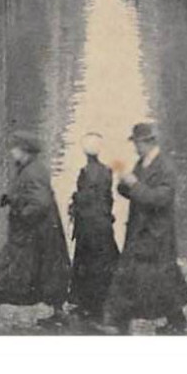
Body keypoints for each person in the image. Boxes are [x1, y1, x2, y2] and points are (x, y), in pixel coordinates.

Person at [0, 133, 70, 329]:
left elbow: (40, 203)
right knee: (42, 273)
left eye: (15, 148)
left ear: (25, 151)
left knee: (15, 271)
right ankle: (56, 311)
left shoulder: (32, 172)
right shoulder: (32, 168)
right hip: (40, 233)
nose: (12, 152)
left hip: (32, 234)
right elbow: (30, 194)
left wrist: (20, 214)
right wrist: (11, 198)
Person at [103, 122, 187, 335]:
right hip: (141, 231)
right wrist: (123, 182)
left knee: (149, 276)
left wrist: (134, 184)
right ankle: (173, 321)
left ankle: (119, 321)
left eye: (137, 143)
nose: (134, 148)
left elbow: (160, 199)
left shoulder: (165, 168)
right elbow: (133, 192)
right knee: (154, 277)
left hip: (156, 234)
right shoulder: (143, 163)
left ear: (147, 143)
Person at [68, 133, 119, 321]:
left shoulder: (85, 172)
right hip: (104, 224)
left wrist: (74, 202)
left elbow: (86, 198)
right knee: (104, 262)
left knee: (86, 264)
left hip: (88, 226)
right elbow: (107, 198)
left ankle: (87, 305)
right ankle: (103, 301)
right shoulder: (107, 171)